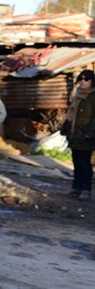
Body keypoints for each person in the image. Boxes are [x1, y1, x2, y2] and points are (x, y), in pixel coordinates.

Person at [65, 70, 95, 201]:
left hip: (86, 135)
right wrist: (66, 130)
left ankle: (86, 189)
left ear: (92, 81)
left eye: (86, 79)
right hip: (75, 134)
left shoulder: (93, 97)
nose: (83, 82)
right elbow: (71, 115)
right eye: (81, 79)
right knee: (76, 162)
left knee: (85, 163)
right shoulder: (77, 95)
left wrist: (90, 133)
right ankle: (76, 187)